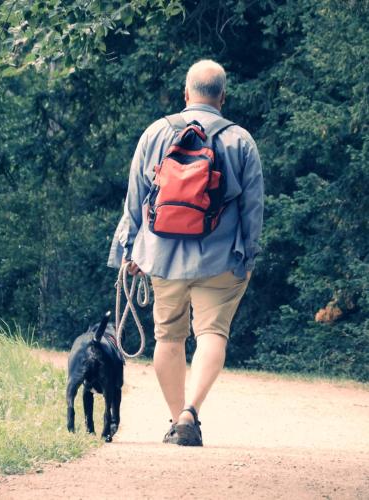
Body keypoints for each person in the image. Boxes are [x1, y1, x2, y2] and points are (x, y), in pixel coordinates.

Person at [108, 59, 264, 446]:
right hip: (221, 256)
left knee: (168, 337)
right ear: (222, 97)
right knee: (212, 332)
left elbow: (135, 197)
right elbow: (253, 207)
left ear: (186, 93)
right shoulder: (240, 140)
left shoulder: (156, 133)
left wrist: (128, 249)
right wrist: (249, 253)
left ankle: (176, 418)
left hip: (162, 255)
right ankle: (191, 412)